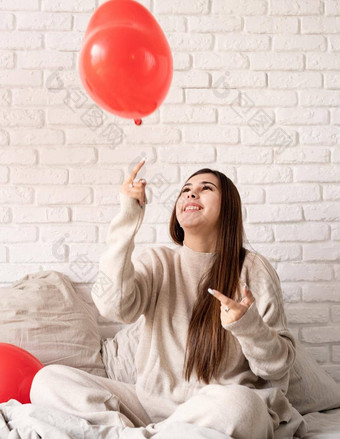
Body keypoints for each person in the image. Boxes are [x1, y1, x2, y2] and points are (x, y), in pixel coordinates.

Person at [30, 159, 307, 439]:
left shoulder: (253, 269)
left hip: (214, 411)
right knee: (48, 380)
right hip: (149, 408)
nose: (191, 193)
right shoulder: (158, 262)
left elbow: (277, 366)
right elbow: (112, 305)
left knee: (243, 406)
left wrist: (248, 326)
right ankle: (157, 434)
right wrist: (128, 218)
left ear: (229, 209)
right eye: (186, 189)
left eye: (206, 188)